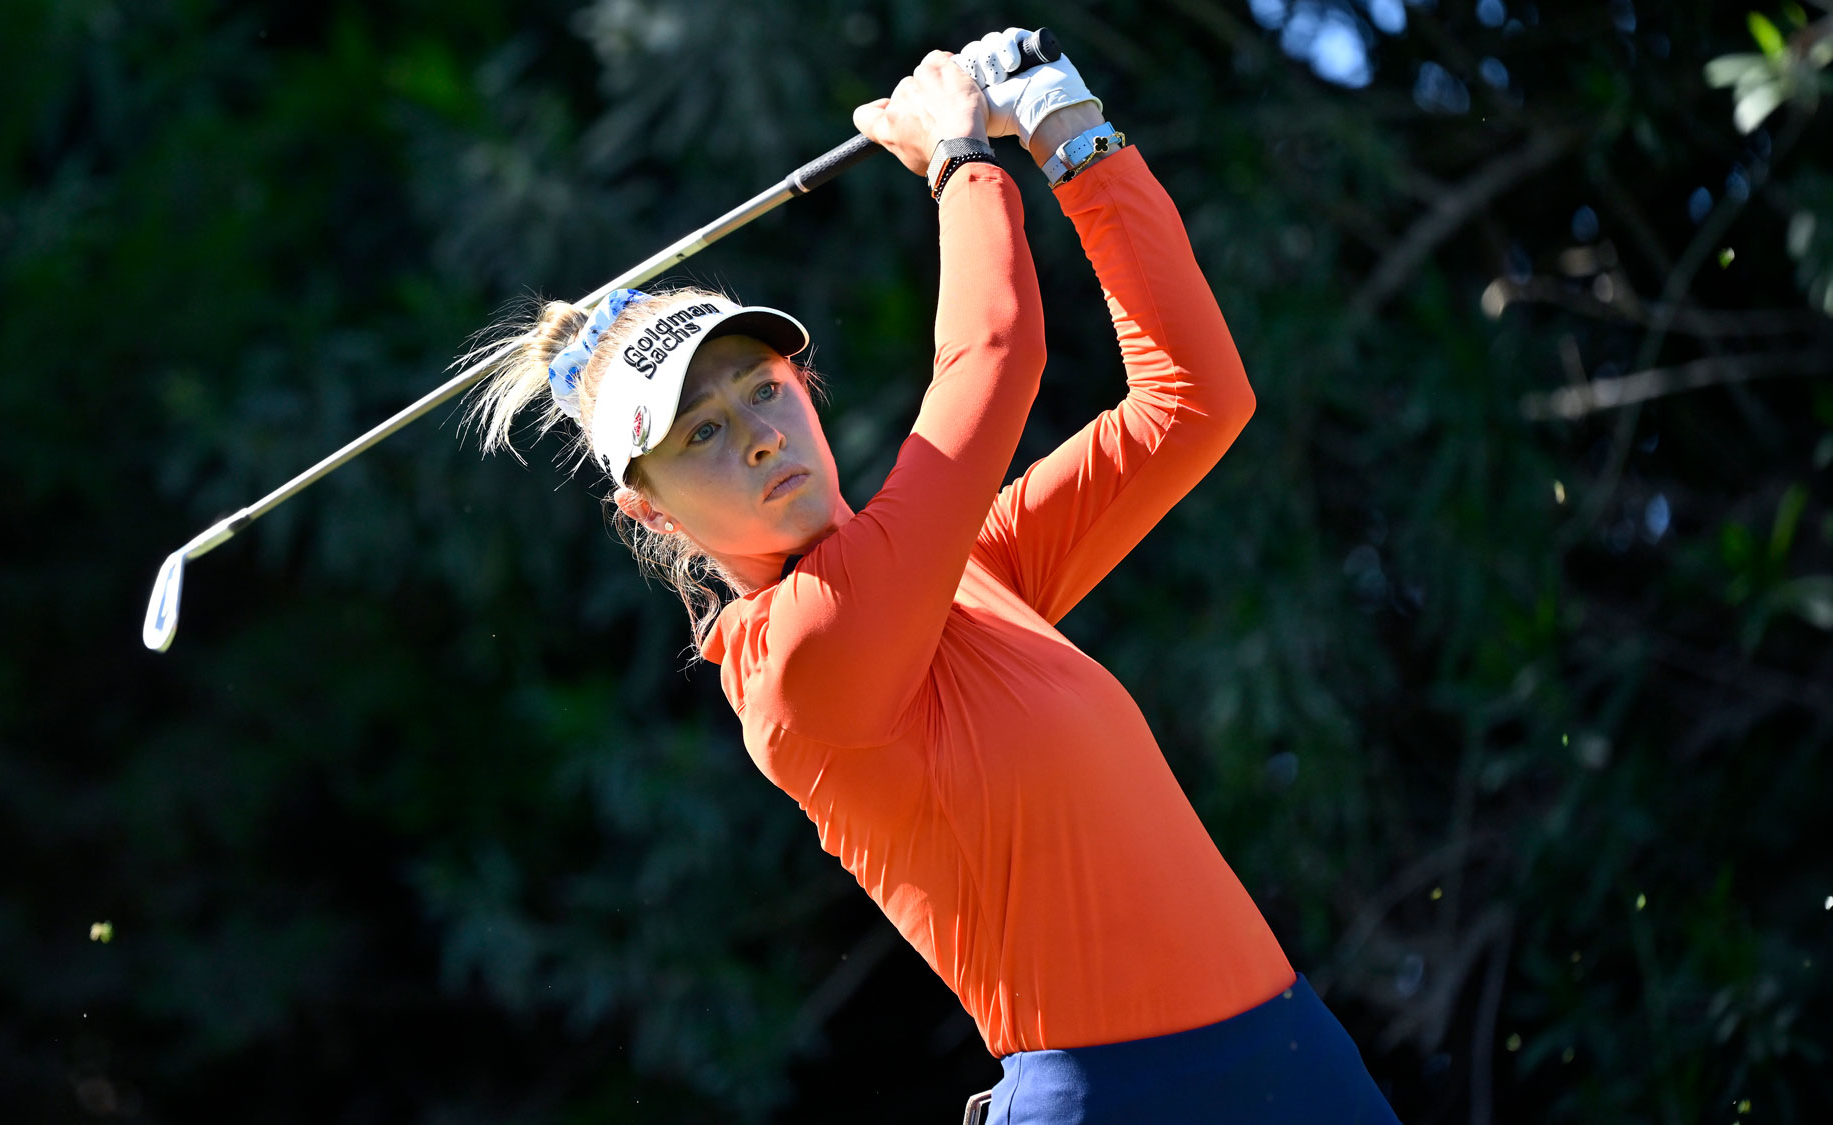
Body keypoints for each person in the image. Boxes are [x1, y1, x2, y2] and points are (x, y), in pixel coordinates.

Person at [463, 28, 1402, 1125]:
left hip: (1293, 1053)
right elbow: (994, 360)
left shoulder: (970, 570)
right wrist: (957, 156)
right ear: (647, 508)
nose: (759, 438)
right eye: (700, 434)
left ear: (805, 387)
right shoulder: (793, 669)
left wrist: (1068, 130)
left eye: (761, 392)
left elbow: (1192, 402)